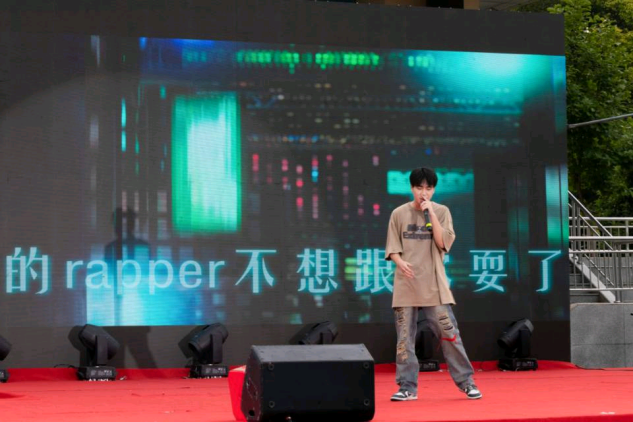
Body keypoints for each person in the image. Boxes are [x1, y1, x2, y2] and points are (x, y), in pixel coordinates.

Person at [385, 167, 482, 401]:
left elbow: (443, 243)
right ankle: (407, 387)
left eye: (428, 188)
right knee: (404, 340)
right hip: (406, 284)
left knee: (449, 334)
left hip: (434, 285)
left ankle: (467, 382)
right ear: (412, 188)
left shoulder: (442, 211)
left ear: (434, 189)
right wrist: (400, 262)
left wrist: (431, 215)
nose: (424, 193)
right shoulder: (398, 213)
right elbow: (392, 248)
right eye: (419, 188)